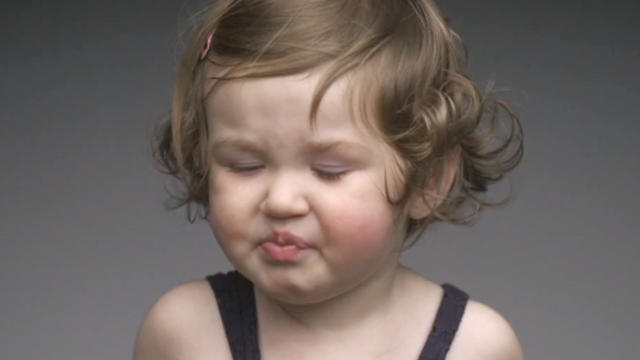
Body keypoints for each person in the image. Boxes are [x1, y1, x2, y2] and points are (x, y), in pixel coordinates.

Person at [134, 0, 524, 359]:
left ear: (429, 180)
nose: (281, 201)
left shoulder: (475, 348)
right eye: (244, 165)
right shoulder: (184, 334)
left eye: (328, 171)